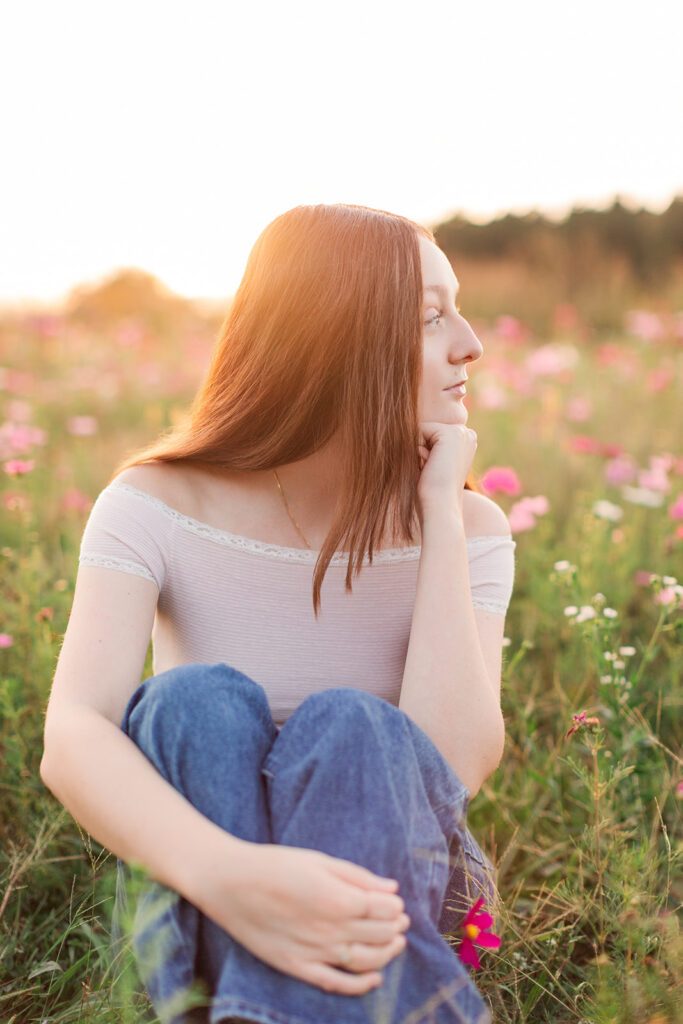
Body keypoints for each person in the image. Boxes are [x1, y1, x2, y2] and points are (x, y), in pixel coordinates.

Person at [40, 203, 515, 1024]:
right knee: (190, 703)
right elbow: (75, 735)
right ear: (337, 339)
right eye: (431, 317)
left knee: (354, 728)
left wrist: (440, 514)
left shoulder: (467, 528)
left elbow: (451, 762)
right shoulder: (153, 503)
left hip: (403, 879)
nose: (469, 342)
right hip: (208, 872)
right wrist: (235, 877)